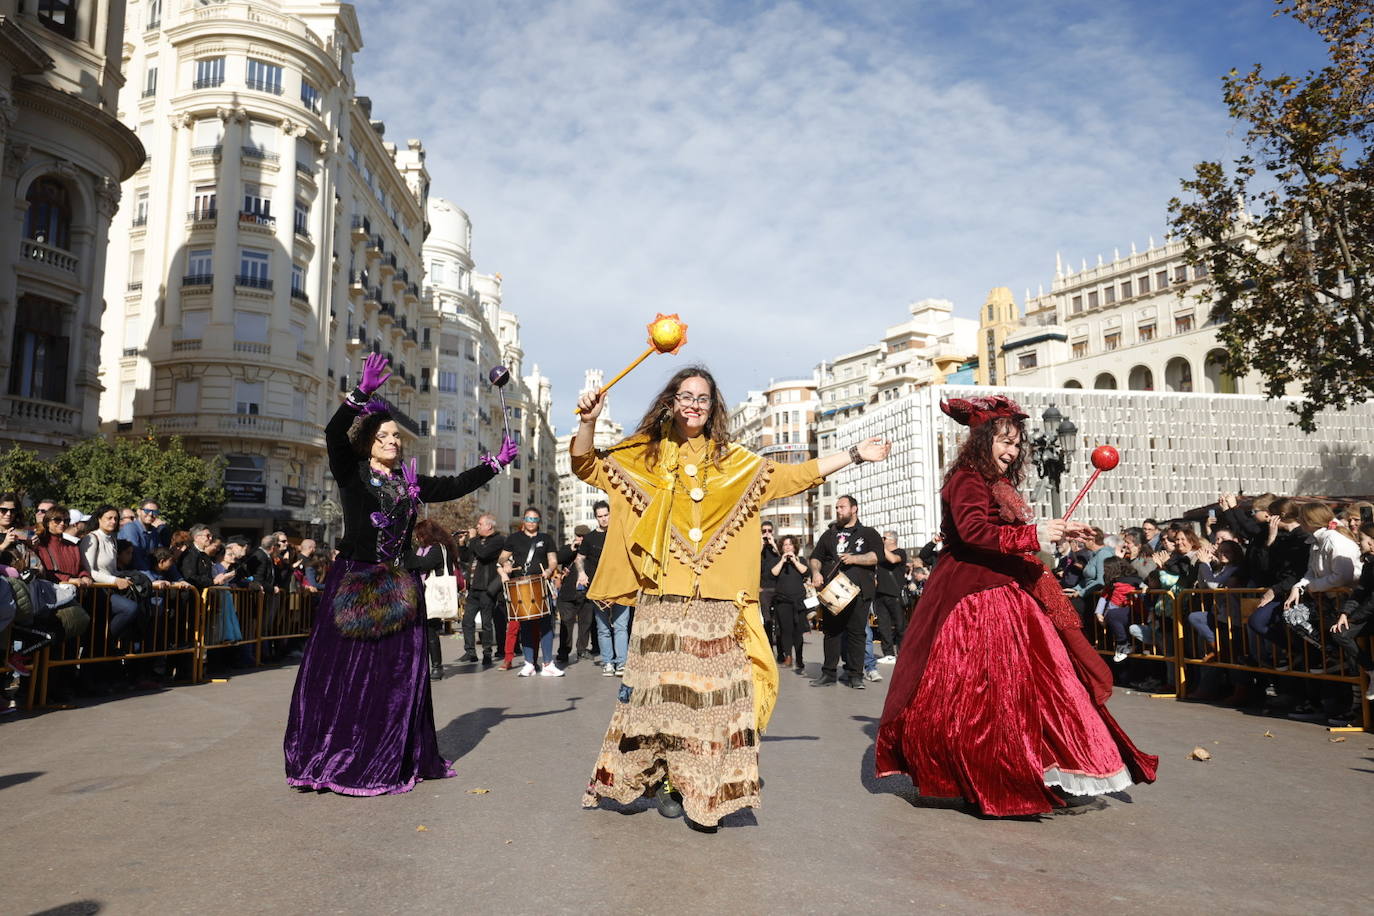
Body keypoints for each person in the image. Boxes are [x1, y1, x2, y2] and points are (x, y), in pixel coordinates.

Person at [573, 365, 890, 829]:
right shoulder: (645, 458)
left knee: (716, 706)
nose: (694, 404)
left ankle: (704, 791)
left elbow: (794, 476)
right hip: (663, 601)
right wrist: (588, 421)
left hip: (721, 605)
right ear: (671, 402)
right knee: (659, 702)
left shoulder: (737, 464)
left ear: (713, 406)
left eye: (703, 397)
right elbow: (585, 465)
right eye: (685, 395)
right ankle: (667, 780)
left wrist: (855, 455)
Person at [875, 395, 1157, 817]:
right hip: (974, 596)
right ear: (981, 441)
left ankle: (1032, 767)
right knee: (991, 693)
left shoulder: (994, 484)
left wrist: (1053, 531)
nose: (1011, 451)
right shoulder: (967, 478)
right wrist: (1033, 533)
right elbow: (973, 532)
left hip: (1004, 588)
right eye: (1004, 441)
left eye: (1016, 443)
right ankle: (998, 774)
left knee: (1037, 685)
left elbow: (1004, 531)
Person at [284, 353, 516, 796]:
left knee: (396, 680)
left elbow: (452, 487)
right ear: (369, 441)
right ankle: (334, 754)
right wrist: (361, 394)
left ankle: (387, 754)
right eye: (385, 435)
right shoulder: (351, 473)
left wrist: (494, 463)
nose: (393, 440)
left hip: (399, 587)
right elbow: (335, 434)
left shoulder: (408, 481)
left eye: (396, 436)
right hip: (354, 582)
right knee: (343, 675)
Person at [809, 496, 882, 689]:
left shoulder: (868, 533)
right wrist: (816, 572)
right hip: (834, 591)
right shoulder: (830, 534)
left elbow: (876, 556)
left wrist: (855, 559)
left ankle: (855, 675)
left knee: (857, 633)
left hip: (859, 591)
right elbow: (816, 557)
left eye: (842, 507)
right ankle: (828, 673)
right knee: (831, 632)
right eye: (836, 508)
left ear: (854, 509)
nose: (838, 511)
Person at [498, 507, 561, 677]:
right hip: (521, 585)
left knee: (546, 625)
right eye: (528, 519)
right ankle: (529, 664)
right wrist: (506, 564)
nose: (531, 522)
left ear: (539, 521)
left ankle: (548, 663)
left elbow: (553, 560)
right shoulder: (514, 538)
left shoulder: (546, 538)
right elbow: (502, 557)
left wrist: (548, 571)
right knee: (525, 626)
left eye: (534, 519)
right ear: (523, 520)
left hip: (540, 583)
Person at [1329, 522, 1374, 701]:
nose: (1358, 543)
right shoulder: (1369, 564)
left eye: (1361, 539)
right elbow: (1360, 591)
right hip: (1368, 616)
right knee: (1340, 632)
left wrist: (1355, 618)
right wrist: (1345, 614)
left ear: (1372, 542)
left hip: (1368, 614)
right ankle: (1371, 671)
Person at [411, 519, 461, 681]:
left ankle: (437, 667)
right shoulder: (431, 548)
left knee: (431, 631)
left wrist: (407, 556)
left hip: (432, 596)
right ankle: (430, 666)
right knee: (427, 631)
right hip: (425, 595)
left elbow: (423, 565)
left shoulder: (437, 549)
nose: (418, 539)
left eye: (420, 535)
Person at [458, 514, 504, 665]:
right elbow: (466, 557)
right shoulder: (476, 541)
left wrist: (471, 539)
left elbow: (483, 554)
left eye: (479, 524)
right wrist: (462, 545)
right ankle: (470, 652)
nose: (476, 527)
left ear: (489, 526)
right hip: (473, 588)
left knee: (486, 623)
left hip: (487, 588)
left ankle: (487, 653)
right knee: (467, 621)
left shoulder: (498, 540)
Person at [770, 534, 810, 672]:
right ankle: (788, 656)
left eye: (790, 545)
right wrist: (782, 561)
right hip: (782, 600)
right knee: (786, 630)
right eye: (785, 545)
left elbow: (806, 572)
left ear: (794, 547)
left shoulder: (802, 560)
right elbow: (773, 573)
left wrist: (794, 561)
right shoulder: (777, 561)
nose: (787, 547)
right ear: (781, 547)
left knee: (798, 631)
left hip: (798, 601)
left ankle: (799, 658)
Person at [554, 525, 589, 666]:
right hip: (568, 593)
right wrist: (571, 549)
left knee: (585, 623)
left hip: (586, 592)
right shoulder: (567, 548)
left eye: (583, 537)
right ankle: (563, 652)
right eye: (578, 536)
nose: (581, 539)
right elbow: (557, 559)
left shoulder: (589, 550)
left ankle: (582, 649)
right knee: (566, 623)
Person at [873, 531, 907, 663]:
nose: (882, 540)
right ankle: (888, 654)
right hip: (880, 593)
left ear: (892, 540)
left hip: (894, 594)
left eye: (884, 538)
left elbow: (893, 559)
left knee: (900, 626)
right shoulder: (881, 555)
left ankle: (903, 652)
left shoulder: (900, 552)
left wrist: (880, 546)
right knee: (883, 626)